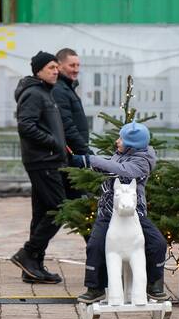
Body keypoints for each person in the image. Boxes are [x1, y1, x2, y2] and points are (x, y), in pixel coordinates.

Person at [71, 122, 169, 303]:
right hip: (108, 212)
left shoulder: (142, 162)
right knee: (96, 245)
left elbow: (122, 172)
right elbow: (109, 165)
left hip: (134, 215)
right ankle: (95, 288)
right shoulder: (121, 154)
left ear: (132, 145)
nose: (117, 141)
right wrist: (87, 161)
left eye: (121, 139)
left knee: (158, 243)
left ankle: (154, 283)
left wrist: (89, 160)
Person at [9, 51, 68, 284]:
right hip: (42, 161)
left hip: (48, 159)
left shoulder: (45, 92)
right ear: (39, 71)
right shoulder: (34, 93)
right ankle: (27, 253)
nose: (56, 71)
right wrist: (53, 142)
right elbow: (26, 125)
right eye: (51, 67)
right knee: (59, 208)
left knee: (42, 212)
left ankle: (32, 266)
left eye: (56, 67)